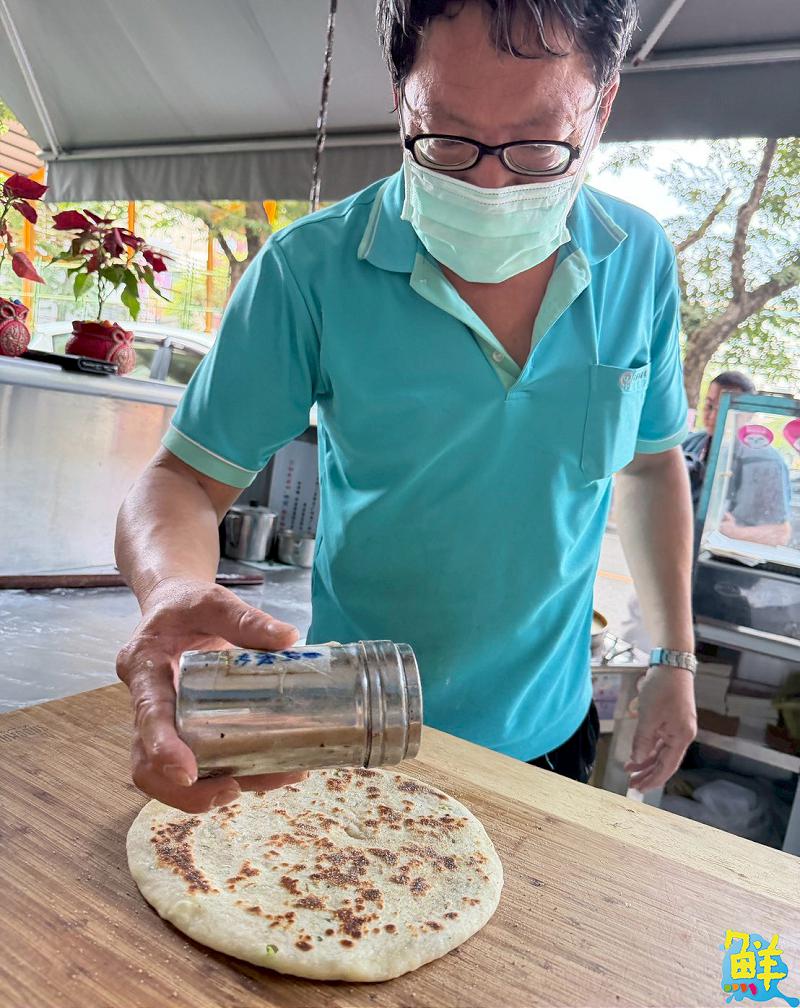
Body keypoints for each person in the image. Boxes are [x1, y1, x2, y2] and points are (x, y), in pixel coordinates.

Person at [115, 0, 698, 813]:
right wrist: (173, 592)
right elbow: (182, 479)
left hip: (549, 728)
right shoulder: (308, 271)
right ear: (401, 101)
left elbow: (648, 464)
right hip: (350, 723)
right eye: (447, 140)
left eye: (538, 144)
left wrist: (675, 657)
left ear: (601, 107)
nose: (490, 182)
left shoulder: (639, 261)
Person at [684, 371, 792, 547]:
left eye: (725, 410)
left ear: (748, 414)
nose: (712, 417)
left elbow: (781, 533)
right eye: (709, 406)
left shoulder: (766, 463)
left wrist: (732, 533)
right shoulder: (689, 444)